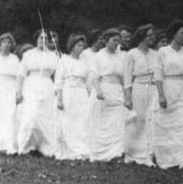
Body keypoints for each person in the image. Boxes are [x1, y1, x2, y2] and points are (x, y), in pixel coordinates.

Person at [151, 21, 183, 169]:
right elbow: (158, 74)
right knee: (167, 123)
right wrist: (161, 95)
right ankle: (169, 158)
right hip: (168, 87)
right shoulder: (163, 52)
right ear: (174, 34)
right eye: (182, 33)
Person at [88, 28, 132, 163]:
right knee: (103, 122)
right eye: (113, 40)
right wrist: (98, 90)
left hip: (117, 90)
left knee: (118, 121)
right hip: (103, 89)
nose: (116, 43)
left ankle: (117, 153)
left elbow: (126, 79)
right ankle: (101, 152)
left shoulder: (122, 56)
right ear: (105, 41)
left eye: (118, 41)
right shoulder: (98, 56)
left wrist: (128, 96)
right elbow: (94, 76)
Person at [17, 30, 62, 157]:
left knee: (47, 117)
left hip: (47, 86)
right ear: (36, 39)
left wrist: (57, 91)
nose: (43, 41)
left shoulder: (54, 56)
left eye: (46, 38)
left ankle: (46, 148)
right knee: (31, 116)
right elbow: (21, 74)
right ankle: (26, 147)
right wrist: (19, 91)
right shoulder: (28, 54)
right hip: (31, 85)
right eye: (40, 38)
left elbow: (58, 76)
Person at [123, 25, 160, 166]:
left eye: (153, 36)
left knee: (151, 120)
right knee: (136, 121)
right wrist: (127, 97)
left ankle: (148, 154)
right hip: (138, 88)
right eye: (149, 35)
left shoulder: (155, 54)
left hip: (152, 88)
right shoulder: (131, 54)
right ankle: (130, 152)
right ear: (142, 36)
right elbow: (127, 78)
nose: (152, 38)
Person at [55, 34, 93, 160]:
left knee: (81, 120)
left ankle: (81, 147)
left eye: (83, 45)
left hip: (81, 94)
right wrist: (59, 99)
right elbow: (59, 80)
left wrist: (89, 96)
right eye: (79, 45)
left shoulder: (85, 62)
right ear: (72, 46)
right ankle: (70, 148)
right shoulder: (64, 60)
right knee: (68, 120)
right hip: (68, 92)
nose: (81, 48)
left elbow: (88, 81)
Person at [0, 34, 22, 155]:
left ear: (11, 45)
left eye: (9, 43)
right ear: (0, 44)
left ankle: (9, 146)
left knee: (10, 115)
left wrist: (18, 92)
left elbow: (18, 77)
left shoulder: (15, 59)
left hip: (10, 87)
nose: (6, 45)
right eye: (4, 42)